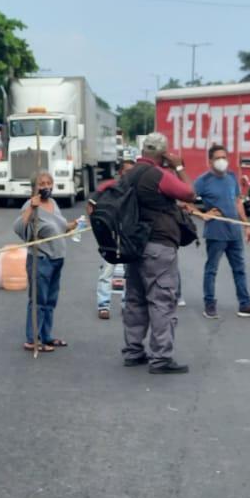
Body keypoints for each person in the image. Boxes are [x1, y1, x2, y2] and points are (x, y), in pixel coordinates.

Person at [119, 133, 198, 375]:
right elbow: (189, 193)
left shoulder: (127, 176)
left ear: (142, 151)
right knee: (162, 300)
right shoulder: (160, 176)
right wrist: (179, 166)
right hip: (158, 245)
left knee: (134, 299)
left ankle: (134, 351)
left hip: (132, 245)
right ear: (163, 154)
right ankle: (161, 357)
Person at [193, 145, 250, 320]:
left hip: (234, 233)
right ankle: (210, 305)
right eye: (218, 158)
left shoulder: (232, 177)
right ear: (210, 161)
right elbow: (183, 201)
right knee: (211, 270)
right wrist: (202, 214)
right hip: (216, 233)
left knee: (239, 269)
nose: (222, 161)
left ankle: (245, 304)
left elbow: (237, 202)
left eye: (224, 157)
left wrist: (246, 225)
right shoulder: (203, 181)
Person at [15, 170, 69, 352]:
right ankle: (33, 339)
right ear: (34, 187)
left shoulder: (53, 203)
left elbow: (61, 228)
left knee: (50, 300)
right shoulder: (31, 205)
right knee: (38, 299)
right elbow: (20, 226)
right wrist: (32, 206)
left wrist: (77, 224)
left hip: (57, 258)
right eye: (42, 184)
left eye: (48, 183)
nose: (46, 187)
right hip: (41, 258)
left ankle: (46, 336)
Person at [90, 158, 136, 320]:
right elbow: (93, 202)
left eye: (133, 171)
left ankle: (126, 304)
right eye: (126, 171)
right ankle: (103, 305)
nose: (129, 174)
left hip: (129, 238)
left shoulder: (137, 190)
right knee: (107, 271)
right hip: (111, 237)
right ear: (120, 172)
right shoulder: (110, 188)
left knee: (129, 273)